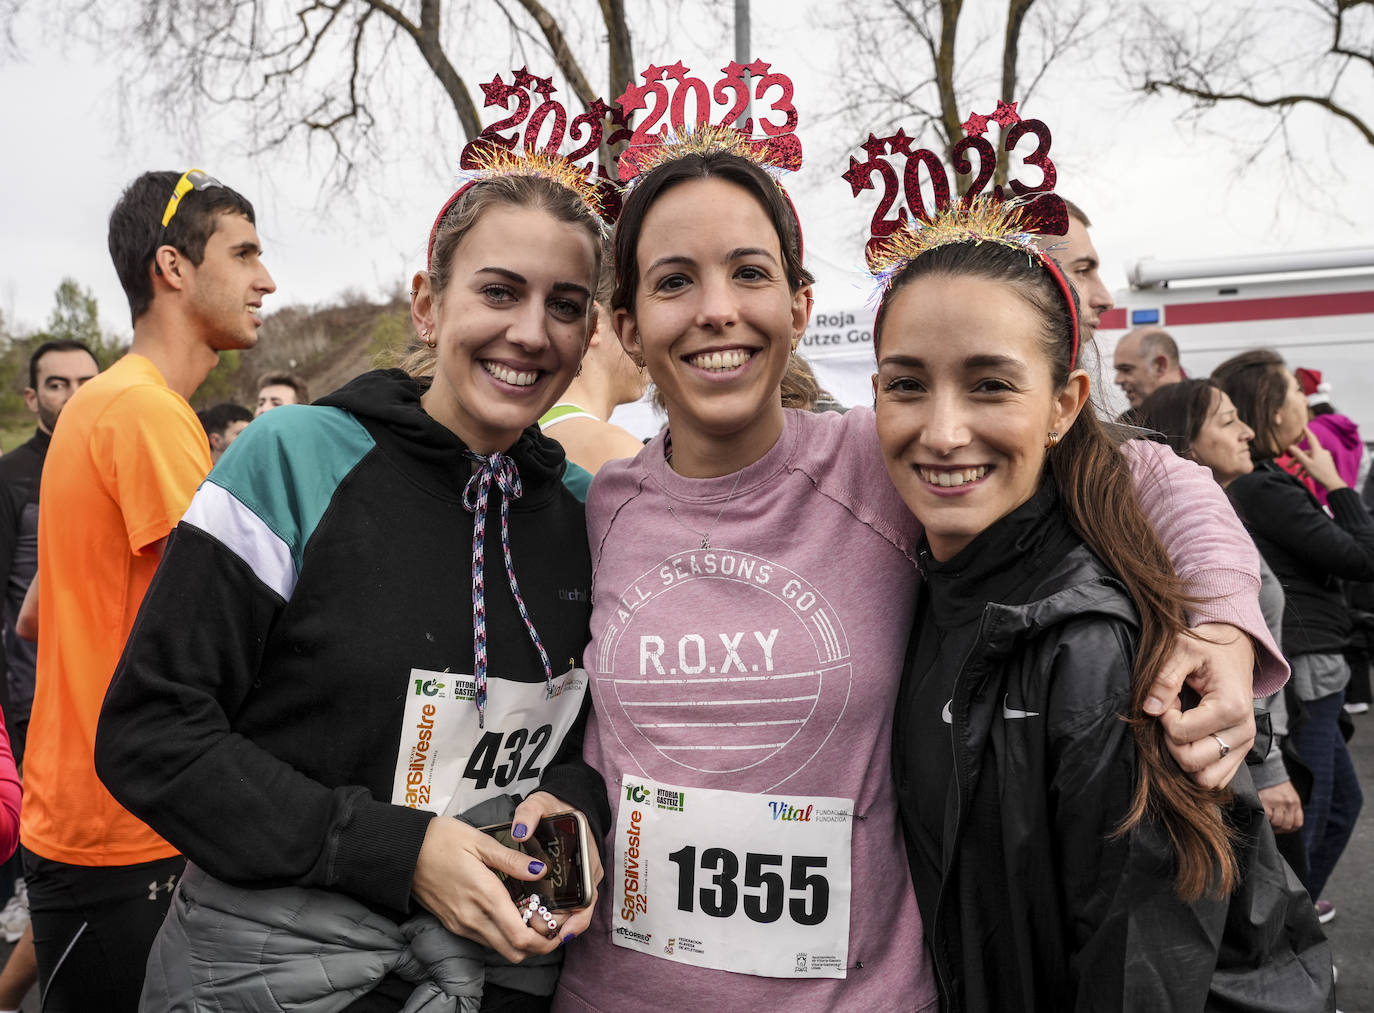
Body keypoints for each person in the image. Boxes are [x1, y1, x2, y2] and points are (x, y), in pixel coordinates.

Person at [553, 144, 1284, 1013]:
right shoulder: (603, 503)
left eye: (749, 272)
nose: (717, 311)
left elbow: (1157, 477)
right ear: (627, 327)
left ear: (798, 305)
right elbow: (578, 736)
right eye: (673, 281)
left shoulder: (887, 454)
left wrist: (1226, 627)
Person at [97, 167, 611, 1012]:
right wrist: (396, 850)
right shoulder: (294, 459)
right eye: (498, 291)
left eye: (563, 304)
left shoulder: (589, 513)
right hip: (268, 978)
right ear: (427, 303)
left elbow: (593, 742)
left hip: (499, 979)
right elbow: (149, 731)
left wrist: (574, 806)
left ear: (590, 329)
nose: (529, 331)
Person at [877, 217, 1329, 1011]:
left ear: (1064, 406)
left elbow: (1140, 977)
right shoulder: (923, 586)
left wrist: (1226, 619)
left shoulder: (1098, 654)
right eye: (907, 384)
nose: (943, 432)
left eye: (990, 384)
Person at [18, 168, 275, 1011]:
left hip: (83, 811)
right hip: (126, 826)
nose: (265, 280)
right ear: (171, 267)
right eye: (243, 253)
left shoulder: (101, 404)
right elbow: (219, 629)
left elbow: (34, 617)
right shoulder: (148, 413)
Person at [1213, 348, 1372, 927]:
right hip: (1307, 664)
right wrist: (1339, 486)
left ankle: (1297, 919)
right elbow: (1362, 557)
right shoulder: (1263, 488)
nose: (1306, 403)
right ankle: (1289, 932)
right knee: (1312, 810)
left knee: (1336, 806)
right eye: (1295, 393)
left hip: (1315, 660)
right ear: (1272, 408)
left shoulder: (1267, 482)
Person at [0, 339, 99, 1004]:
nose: (72, 395)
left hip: (97, 694)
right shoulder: (10, 476)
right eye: (57, 384)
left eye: (84, 381)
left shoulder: (101, 458)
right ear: (34, 397)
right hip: (28, 691)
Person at [539, 260, 647, 480]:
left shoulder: (518, 433)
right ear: (594, 324)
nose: (645, 343)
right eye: (633, 325)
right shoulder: (620, 452)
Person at [1114, 326, 1184, 411]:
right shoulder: (1128, 420)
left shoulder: (1201, 416)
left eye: (1126, 369)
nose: (1117, 380)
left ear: (1160, 366)